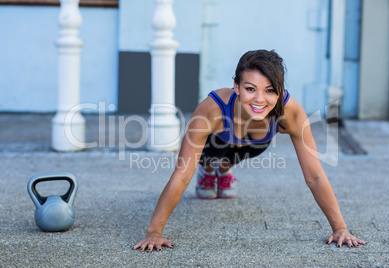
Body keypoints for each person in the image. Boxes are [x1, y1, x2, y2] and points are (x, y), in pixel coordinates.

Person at [133, 49, 366, 252]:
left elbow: (315, 176)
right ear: (236, 86)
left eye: (270, 90)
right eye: (250, 88)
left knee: (234, 155)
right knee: (208, 157)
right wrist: (154, 231)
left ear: (280, 90)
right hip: (212, 145)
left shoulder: (291, 113)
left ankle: (224, 170)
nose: (259, 99)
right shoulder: (211, 109)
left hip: (253, 144)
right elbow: (182, 175)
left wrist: (340, 228)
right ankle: (208, 171)